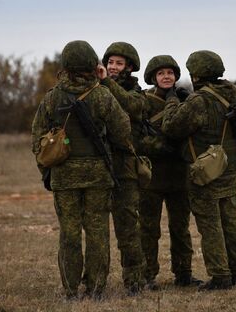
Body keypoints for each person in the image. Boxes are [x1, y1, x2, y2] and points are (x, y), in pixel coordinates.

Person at [31, 40, 131, 300]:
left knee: (69, 234)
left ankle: (71, 290)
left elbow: (36, 139)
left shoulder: (52, 97)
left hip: (64, 179)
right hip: (98, 177)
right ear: (92, 64)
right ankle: (97, 289)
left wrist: (47, 170)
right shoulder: (102, 95)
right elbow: (123, 130)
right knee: (98, 231)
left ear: (65, 65)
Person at [161, 50, 236, 291]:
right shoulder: (229, 94)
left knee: (210, 226)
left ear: (196, 74)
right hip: (227, 170)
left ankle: (220, 276)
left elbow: (171, 126)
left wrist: (171, 101)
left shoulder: (200, 101)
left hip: (205, 173)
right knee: (230, 223)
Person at [139, 55, 202, 289]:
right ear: (153, 77)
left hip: (179, 177)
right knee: (147, 230)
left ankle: (184, 273)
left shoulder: (187, 100)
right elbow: (134, 136)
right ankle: (146, 276)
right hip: (151, 179)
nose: (166, 76)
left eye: (170, 73)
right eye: (161, 73)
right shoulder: (144, 102)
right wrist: (156, 145)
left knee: (181, 229)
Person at [98, 41, 147, 294]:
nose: (113, 67)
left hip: (126, 169)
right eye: (110, 62)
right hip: (98, 169)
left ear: (129, 66)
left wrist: (107, 83)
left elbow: (131, 107)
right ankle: (96, 284)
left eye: (119, 63)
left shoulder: (137, 93)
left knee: (128, 229)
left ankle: (135, 282)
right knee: (97, 232)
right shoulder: (97, 89)